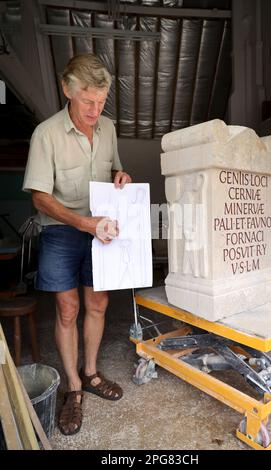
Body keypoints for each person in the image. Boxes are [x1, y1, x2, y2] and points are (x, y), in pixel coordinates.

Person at [22, 53, 132, 436]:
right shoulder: (46, 134)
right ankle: (72, 387)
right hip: (61, 230)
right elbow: (39, 196)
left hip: (100, 229)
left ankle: (90, 373)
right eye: (88, 101)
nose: (95, 110)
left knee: (98, 303)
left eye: (101, 102)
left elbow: (116, 168)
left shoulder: (109, 128)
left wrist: (121, 175)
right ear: (67, 90)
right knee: (67, 310)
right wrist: (83, 222)